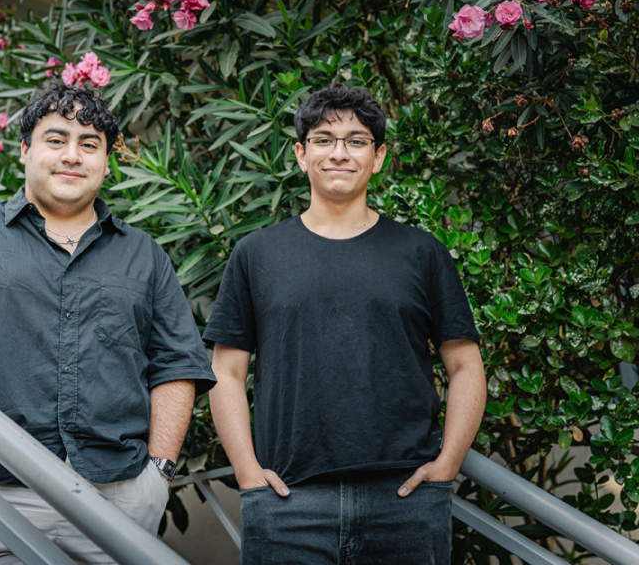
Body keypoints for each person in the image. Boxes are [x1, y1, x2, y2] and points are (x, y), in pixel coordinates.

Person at [0, 81, 215, 564]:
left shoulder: (145, 255)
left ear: (106, 162)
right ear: (25, 151)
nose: (72, 156)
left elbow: (176, 367)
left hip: (118, 496)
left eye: (89, 145)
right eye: (56, 139)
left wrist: (159, 472)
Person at [204, 85, 486, 564]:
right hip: (288, 502)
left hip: (404, 499)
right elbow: (225, 373)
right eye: (323, 139)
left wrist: (447, 465)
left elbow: (465, 366)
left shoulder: (421, 252)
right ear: (300, 154)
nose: (340, 153)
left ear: (378, 158)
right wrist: (248, 474)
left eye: (356, 141)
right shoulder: (257, 254)